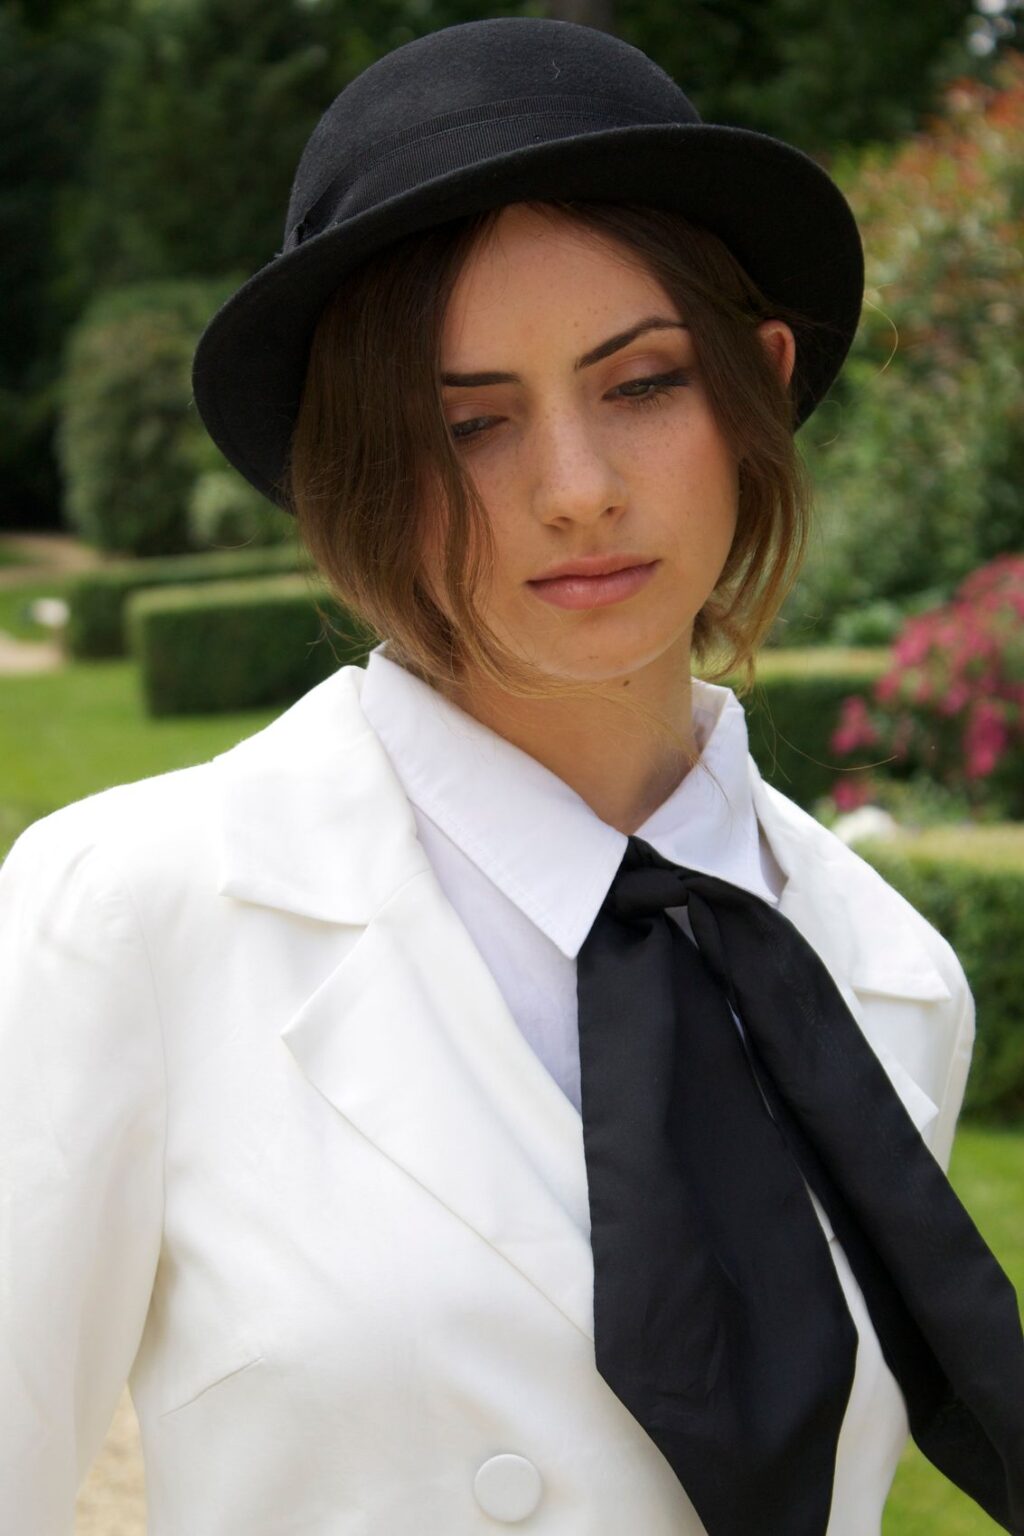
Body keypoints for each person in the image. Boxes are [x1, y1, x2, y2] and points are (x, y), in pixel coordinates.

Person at [1, 17, 1021, 1536]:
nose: (576, 489)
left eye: (643, 383)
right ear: (351, 466)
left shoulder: (886, 978)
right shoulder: (131, 915)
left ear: (756, 382)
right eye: (468, 423)